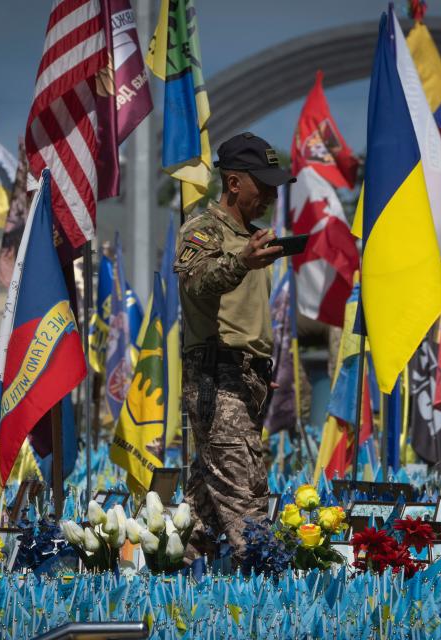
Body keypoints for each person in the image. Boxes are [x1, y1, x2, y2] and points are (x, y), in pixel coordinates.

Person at [173, 132, 294, 567]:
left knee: (203, 512)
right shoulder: (202, 229)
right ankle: (274, 591)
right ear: (235, 183)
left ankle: (167, 576)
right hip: (216, 378)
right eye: (262, 184)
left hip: (246, 379)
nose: (270, 195)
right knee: (247, 498)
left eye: (275, 186)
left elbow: (245, 317)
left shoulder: (255, 238)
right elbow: (195, 282)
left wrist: (259, 365)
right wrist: (241, 260)